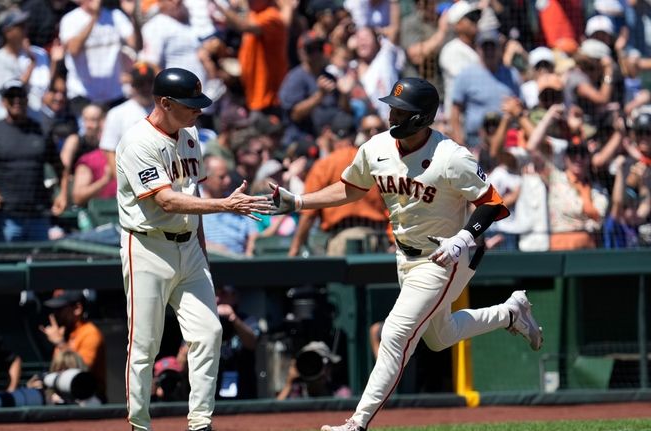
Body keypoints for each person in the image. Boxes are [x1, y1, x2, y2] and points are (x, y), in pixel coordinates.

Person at [267, 77, 544, 431]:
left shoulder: (451, 156)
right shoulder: (376, 147)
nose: (390, 115)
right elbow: (351, 188)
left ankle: (357, 423)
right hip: (406, 257)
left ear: (419, 118)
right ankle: (509, 313)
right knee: (439, 336)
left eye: (399, 111)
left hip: (448, 255)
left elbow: (492, 203)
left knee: (395, 334)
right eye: (391, 108)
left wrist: (462, 237)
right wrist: (301, 201)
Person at [116, 67, 272, 431]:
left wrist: (201, 252)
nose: (198, 111)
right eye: (190, 105)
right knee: (144, 345)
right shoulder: (138, 141)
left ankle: (200, 423)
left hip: (188, 248)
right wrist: (226, 205)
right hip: (147, 247)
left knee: (209, 332)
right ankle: (139, 425)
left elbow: (192, 192)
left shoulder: (190, 135)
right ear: (164, 102)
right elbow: (167, 201)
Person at [0, 80, 68, 242]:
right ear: (3, 101)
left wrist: (63, 194)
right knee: (5, 265)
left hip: (38, 215)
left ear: (27, 99)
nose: (16, 100)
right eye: (11, 96)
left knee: (39, 264)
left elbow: (60, 167)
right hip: (5, 216)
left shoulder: (41, 131)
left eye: (20, 95)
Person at [288, 111, 389, 257]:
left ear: (331, 136)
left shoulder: (324, 165)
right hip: (378, 237)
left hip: (342, 239)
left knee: (342, 280)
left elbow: (308, 214)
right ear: (355, 135)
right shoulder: (373, 160)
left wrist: (294, 249)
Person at [39, 289, 107, 402]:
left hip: (90, 400)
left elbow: (81, 374)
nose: (55, 314)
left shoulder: (90, 333)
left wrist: (60, 343)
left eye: (60, 309)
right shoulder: (65, 333)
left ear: (77, 309)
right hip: (64, 397)